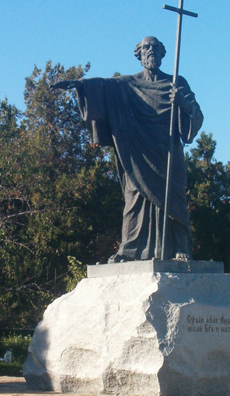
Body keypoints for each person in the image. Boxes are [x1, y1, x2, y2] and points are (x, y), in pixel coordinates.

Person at [51, 36, 203, 262]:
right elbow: (103, 88)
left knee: (174, 201)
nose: (150, 51)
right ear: (139, 54)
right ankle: (130, 250)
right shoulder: (126, 85)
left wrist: (182, 102)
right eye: (146, 48)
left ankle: (180, 247)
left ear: (163, 54)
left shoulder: (176, 83)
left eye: (155, 48)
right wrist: (81, 86)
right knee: (134, 200)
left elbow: (196, 116)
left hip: (167, 153)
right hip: (137, 153)